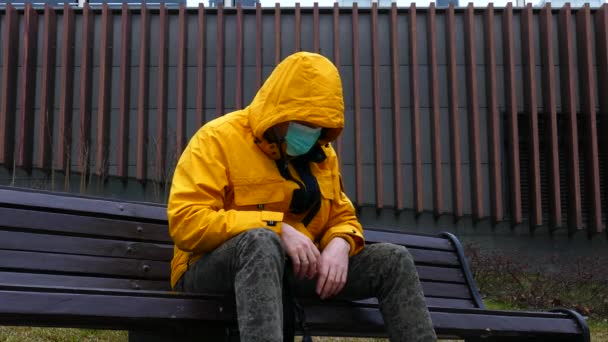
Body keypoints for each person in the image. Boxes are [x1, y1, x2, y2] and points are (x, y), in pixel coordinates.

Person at [167, 51, 437, 342]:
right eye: (303, 123)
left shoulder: (321, 154)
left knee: (393, 260)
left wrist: (341, 243)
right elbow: (187, 222)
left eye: (318, 125)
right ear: (277, 113)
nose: (310, 133)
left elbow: (342, 216)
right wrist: (276, 228)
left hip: (294, 271)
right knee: (261, 241)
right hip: (208, 271)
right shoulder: (217, 139)